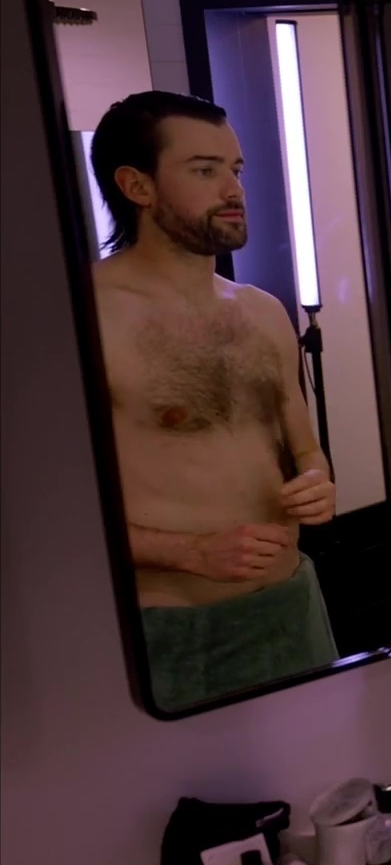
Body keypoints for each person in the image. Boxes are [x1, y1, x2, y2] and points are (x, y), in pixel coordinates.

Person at [89, 91, 339, 713]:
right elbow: (53, 520)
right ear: (137, 186)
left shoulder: (262, 312)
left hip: (291, 607)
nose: (234, 189)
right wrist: (191, 552)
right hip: (174, 631)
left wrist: (316, 482)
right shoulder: (85, 317)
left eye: (236, 169)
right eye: (205, 170)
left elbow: (305, 451)